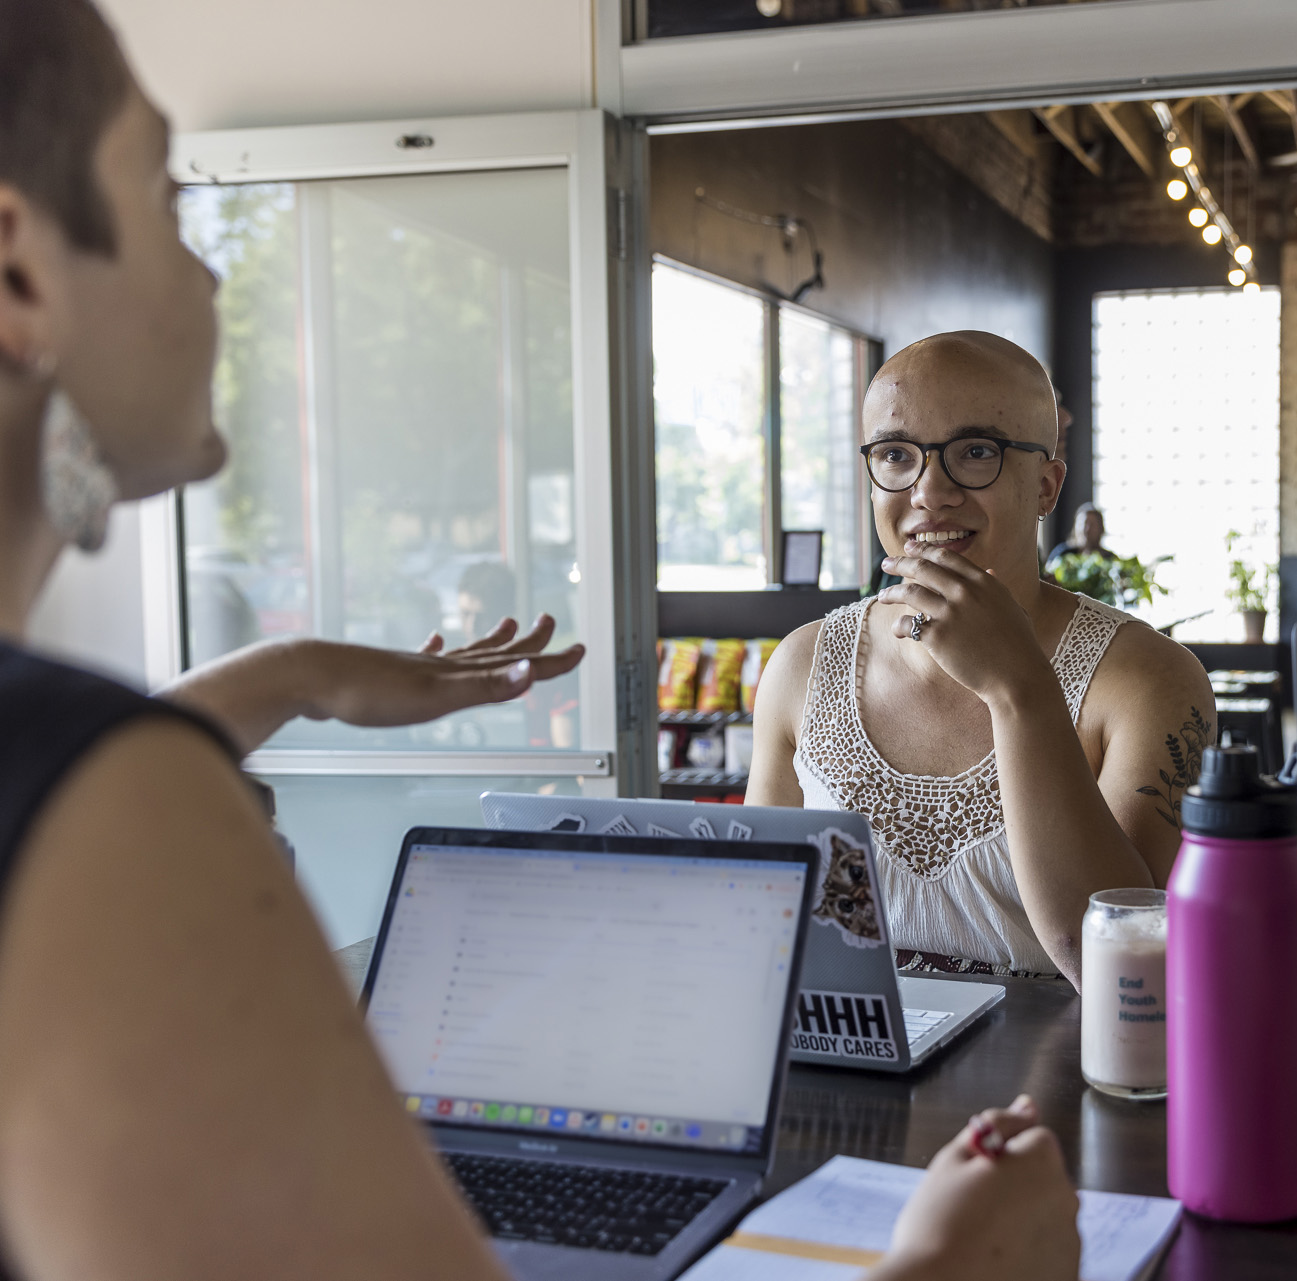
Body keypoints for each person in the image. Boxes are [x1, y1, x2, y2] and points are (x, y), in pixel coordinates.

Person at [0, 5, 1079, 1278]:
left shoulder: (86, 771)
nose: (211, 272)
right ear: (18, 267)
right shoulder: (117, 803)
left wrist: (298, 676)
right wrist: (950, 1266)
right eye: (170, 201)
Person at [748, 331, 1216, 989]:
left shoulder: (1149, 678)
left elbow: (1126, 978)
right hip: (848, 1082)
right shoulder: (802, 665)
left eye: (976, 452)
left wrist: (1017, 686)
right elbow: (759, 935)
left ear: (1047, 484)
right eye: (895, 454)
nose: (929, 491)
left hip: (1056, 1083)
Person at [1045, 501, 1117, 570]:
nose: (1087, 529)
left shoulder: (1110, 559)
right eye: (1083, 524)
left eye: (1092, 525)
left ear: (1101, 529)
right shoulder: (1062, 554)